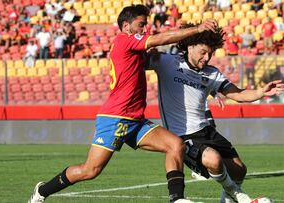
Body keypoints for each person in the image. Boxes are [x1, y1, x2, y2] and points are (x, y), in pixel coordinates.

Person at [28, 4, 217, 203]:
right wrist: (197, 29)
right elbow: (160, 39)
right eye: (141, 25)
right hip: (115, 117)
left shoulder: (134, 49)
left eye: (146, 25)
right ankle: (42, 191)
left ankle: (176, 199)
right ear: (126, 26)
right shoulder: (124, 40)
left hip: (135, 120)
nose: (145, 29)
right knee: (90, 170)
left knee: (175, 145)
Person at [147, 24, 284, 203]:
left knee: (239, 169)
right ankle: (238, 195)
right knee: (214, 160)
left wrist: (260, 92)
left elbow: (238, 94)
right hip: (182, 134)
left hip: (206, 131)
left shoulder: (212, 73)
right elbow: (134, 60)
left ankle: (226, 199)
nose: (207, 58)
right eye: (203, 52)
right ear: (190, 46)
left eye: (210, 53)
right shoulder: (166, 62)